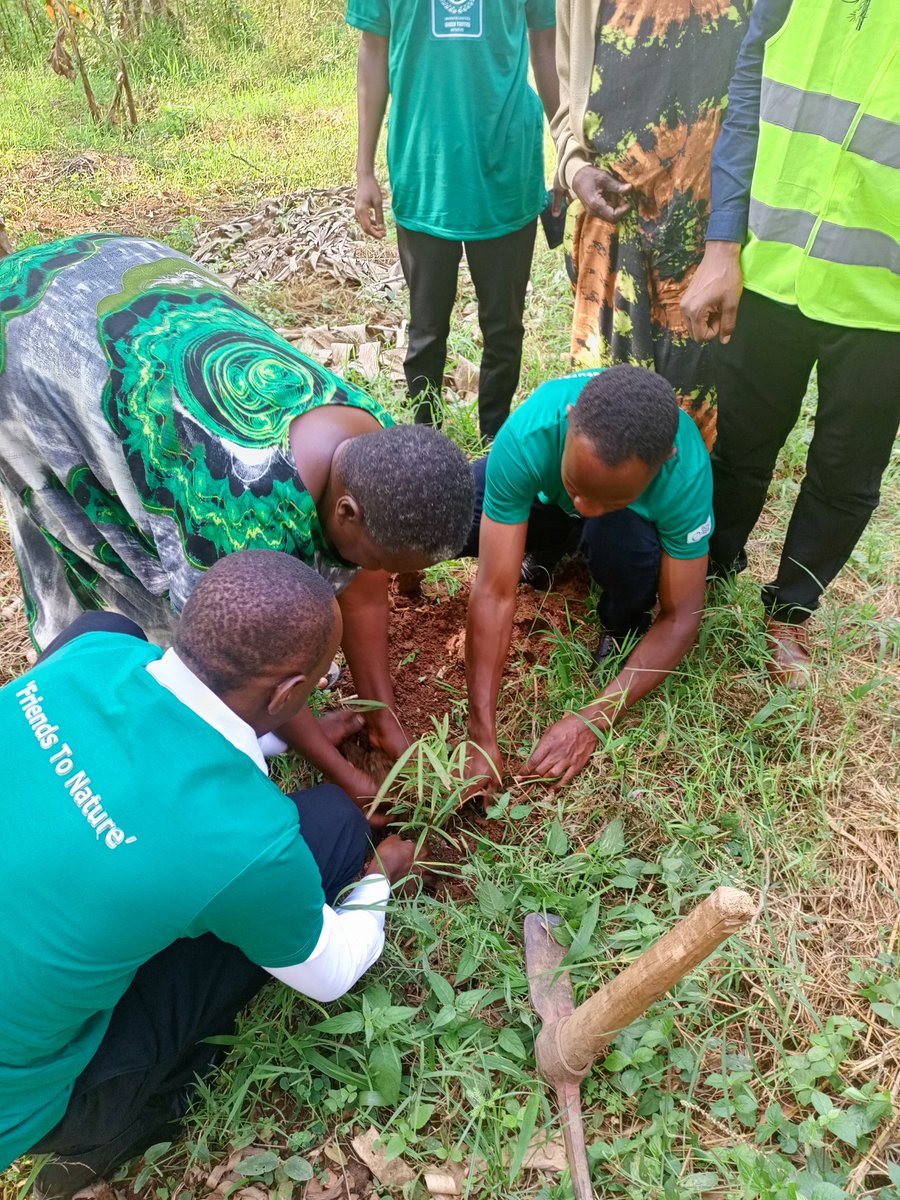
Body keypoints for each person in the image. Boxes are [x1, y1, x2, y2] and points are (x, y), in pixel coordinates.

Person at [0, 550, 417, 1198]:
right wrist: (378, 877)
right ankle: (105, 1130)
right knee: (334, 825)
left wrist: (267, 739)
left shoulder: (87, 656)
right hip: (26, 1107)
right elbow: (331, 973)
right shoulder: (248, 837)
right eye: (310, 687)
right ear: (285, 694)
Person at [0, 233, 474, 802]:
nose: (386, 577)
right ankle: (83, 732)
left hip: (133, 289)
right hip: (34, 343)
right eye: (383, 561)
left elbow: (365, 585)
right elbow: (243, 662)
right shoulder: (235, 514)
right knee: (112, 563)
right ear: (347, 511)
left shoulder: (371, 440)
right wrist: (346, 776)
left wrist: (382, 714)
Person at [681, 0, 900, 687]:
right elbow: (748, 97)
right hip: (773, 264)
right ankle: (708, 571)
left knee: (846, 469)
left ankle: (791, 613)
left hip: (884, 294)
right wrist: (723, 245)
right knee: (741, 444)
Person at [461, 365, 712, 792]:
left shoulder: (684, 473)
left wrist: (592, 719)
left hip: (626, 530)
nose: (587, 505)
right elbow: (494, 591)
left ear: (663, 461)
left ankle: (620, 620)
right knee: (457, 512)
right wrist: (480, 735)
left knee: (621, 545)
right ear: (571, 416)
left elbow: (682, 615)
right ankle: (550, 542)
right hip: (544, 498)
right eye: (576, 485)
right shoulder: (531, 432)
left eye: (610, 496)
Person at [348, 0, 560, 441]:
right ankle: (425, 445)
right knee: (426, 331)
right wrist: (364, 169)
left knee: (504, 328)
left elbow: (545, 47)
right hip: (427, 170)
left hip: (507, 168)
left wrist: (567, 149)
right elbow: (373, 51)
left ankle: (495, 448)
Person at [552, 0, 751, 449]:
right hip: (616, 232)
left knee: (699, 427)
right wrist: (574, 167)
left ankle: (687, 517)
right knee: (609, 422)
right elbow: (568, 94)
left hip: (716, 235)